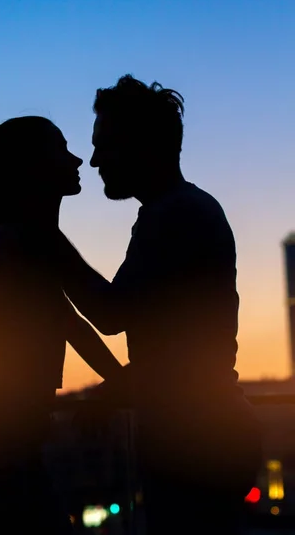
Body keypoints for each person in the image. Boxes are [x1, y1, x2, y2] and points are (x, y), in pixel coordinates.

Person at [57, 75, 263, 534]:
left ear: (140, 146)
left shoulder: (172, 216)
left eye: (104, 145)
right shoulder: (182, 211)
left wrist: (47, 241)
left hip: (196, 445)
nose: (93, 161)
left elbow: (112, 314)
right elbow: (179, 352)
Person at [0, 116, 124, 534]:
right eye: (61, 148)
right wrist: (0, 462)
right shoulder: (17, 241)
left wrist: (123, 380)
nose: (76, 160)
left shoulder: (25, 240)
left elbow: (74, 323)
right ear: (31, 167)